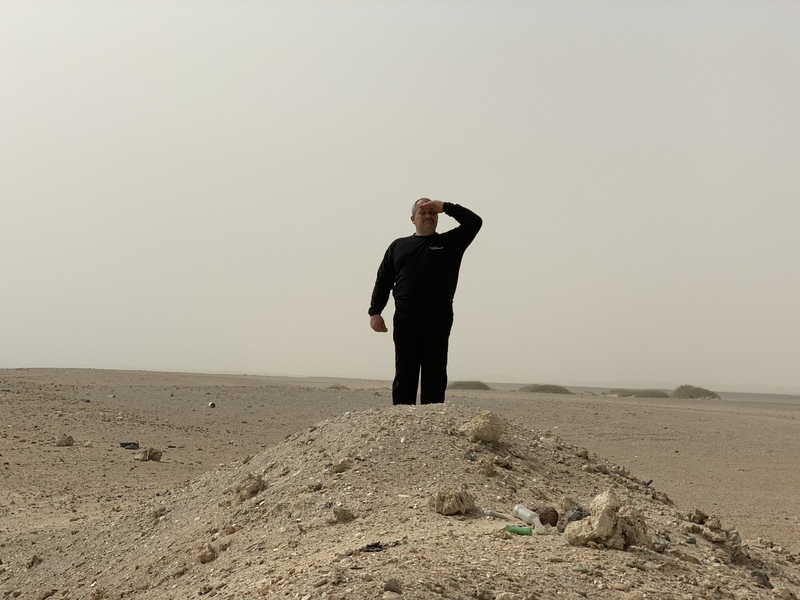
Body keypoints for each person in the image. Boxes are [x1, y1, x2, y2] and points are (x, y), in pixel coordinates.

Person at [368, 198, 482, 405]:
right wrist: (375, 312)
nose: (428, 216)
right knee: (405, 373)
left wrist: (445, 206)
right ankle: (402, 417)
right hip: (405, 318)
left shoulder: (451, 242)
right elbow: (383, 280)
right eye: (423, 212)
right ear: (413, 219)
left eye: (432, 212)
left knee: (435, 373)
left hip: (438, 317)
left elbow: (474, 222)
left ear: (438, 217)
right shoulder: (398, 246)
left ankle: (432, 419)